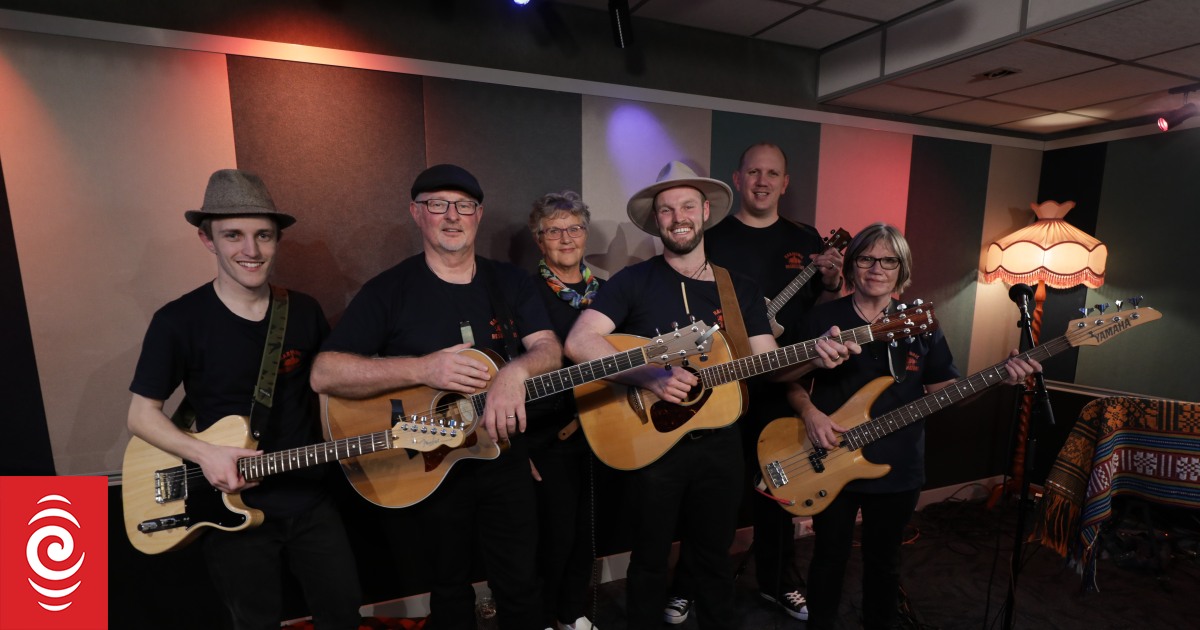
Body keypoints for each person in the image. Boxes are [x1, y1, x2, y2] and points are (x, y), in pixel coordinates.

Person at [564, 161, 855, 630]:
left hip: (719, 446)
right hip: (651, 444)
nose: (677, 216)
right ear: (656, 221)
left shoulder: (738, 288)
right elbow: (580, 342)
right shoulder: (633, 282)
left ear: (703, 212)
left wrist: (816, 357)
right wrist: (648, 376)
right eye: (665, 209)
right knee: (650, 560)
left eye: (686, 206)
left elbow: (771, 363)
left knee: (715, 558)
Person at [310, 164, 562, 630]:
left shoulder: (509, 282)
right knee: (448, 590)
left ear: (478, 215)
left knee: (521, 584)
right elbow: (324, 374)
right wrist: (425, 367)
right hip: (430, 464)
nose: (452, 216)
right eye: (437, 205)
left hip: (505, 457)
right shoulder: (389, 290)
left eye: (463, 206)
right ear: (416, 213)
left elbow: (549, 348)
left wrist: (515, 372)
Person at [127, 169, 363, 629]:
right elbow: (141, 415)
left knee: (343, 615)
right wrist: (206, 455)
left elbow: (331, 393)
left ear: (277, 240)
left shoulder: (304, 310)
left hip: (308, 497)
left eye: (263, 236)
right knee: (254, 622)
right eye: (233, 235)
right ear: (207, 239)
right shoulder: (178, 321)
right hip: (225, 505)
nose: (251, 251)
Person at [788, 223, 1042, 630]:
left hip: (898, 467)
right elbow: (792, 384)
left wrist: (999, 378)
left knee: (885, 564)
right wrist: (810, 413)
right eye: (868, 258)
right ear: (853, 265)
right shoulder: (821, 318)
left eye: (889, 260)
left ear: (901, 269)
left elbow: (948, 391)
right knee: (827, 559)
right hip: (830, 460)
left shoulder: (921, 322)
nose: (877, 268)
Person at [667, 142, 844, 623]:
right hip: (720, 384)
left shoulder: (806, 238)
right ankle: (687, 584)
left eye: (773, 174)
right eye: (754, 172)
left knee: (778, 490)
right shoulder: (714, 235)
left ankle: (779, 582)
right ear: (738, 179)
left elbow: (824, 303)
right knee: (708, 494)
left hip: (785, 383)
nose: (763, 181)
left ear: (785, 183)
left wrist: (831, 281)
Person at [524, 191, 603, 630]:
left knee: (586, 536)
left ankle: (572, 614)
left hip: (602, 430)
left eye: (574, 228)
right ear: (540, 240)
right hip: (546, 437)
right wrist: (517, 446)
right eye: (554, 230)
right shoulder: (524, 293)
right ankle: (542, 617)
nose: (566, 237)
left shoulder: (608, 292)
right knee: (551, 539)